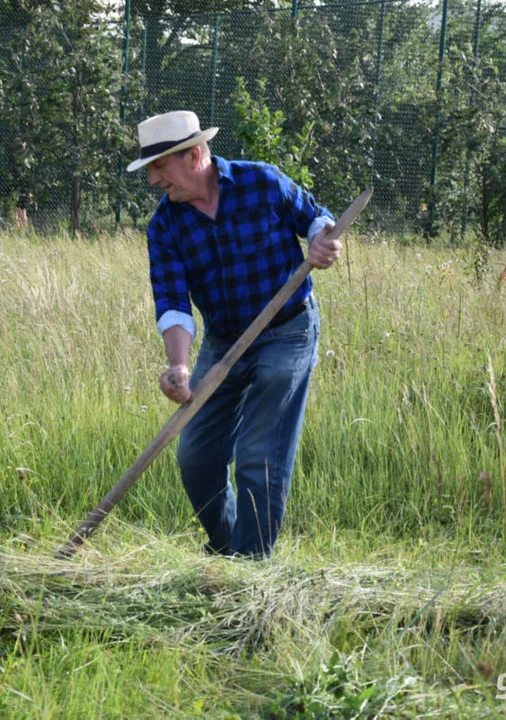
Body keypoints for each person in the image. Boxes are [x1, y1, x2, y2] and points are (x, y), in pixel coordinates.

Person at [126, 110, 344, 558]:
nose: (153, 180)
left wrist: (323, 241)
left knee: (258, 454)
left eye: (159, 166)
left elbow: (315, 218)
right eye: (150, 169)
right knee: (197, 458)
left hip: (288, 329)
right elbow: (172, 302)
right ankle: (229, 553)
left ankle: (251, 570)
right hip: (224, 341)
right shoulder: (165, 225)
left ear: (193, 155)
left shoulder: (260, 182)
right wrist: (179, 365)